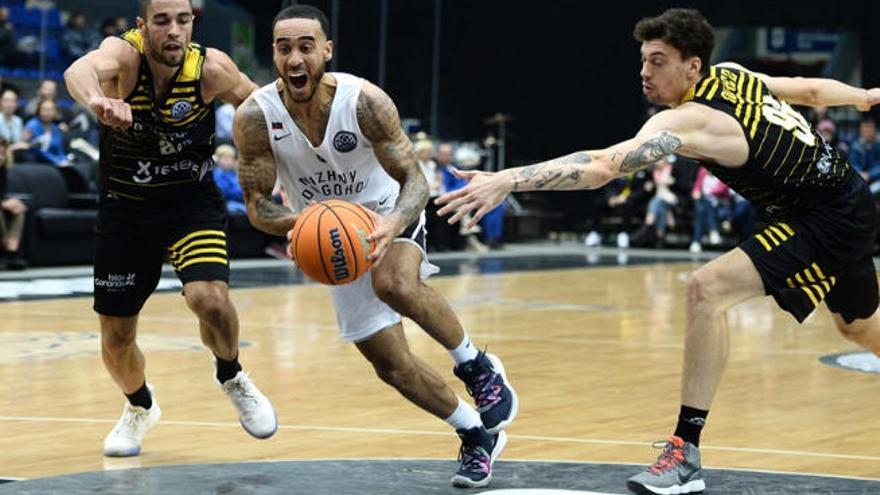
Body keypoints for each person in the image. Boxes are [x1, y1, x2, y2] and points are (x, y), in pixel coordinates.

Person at [436, 8, 880, 494]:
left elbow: (605, 166)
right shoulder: (731, 75)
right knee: (858, 328)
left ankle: (684, 454)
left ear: (692, 67)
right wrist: (864, 97)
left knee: (706, 288)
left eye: (658, 61)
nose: (644, 72)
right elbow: (809, 90)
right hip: (845, 196)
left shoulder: (691, 121)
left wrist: (508, 178)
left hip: (826, 218)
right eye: (643, 60)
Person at [233, 5, 516, 488]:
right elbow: (257, 205)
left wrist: (394, 222)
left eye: (305, 46)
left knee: (394, 284)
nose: (294, 58)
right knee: (390, 365)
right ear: (274, 55)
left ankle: (474, 363)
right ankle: (474, 434)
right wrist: (299, 224)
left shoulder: (364, 101)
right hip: (328, 231)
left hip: (386, 207)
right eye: (284, 48)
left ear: (327, 51)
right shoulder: (256, 117)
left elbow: (415, 179)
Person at [63, 0, 276, 458]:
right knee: (117, 338)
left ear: (192, 23)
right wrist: (98, 99)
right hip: (125, 209)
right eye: (162, 20)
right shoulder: (124, 57)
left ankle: (232, 373)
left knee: (210, 300)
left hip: (189, 205)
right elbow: (78, 70)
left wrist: (280, 164)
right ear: (143, 25)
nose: (174, 30)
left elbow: (261, 107)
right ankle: (140, 407)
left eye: (183, 20)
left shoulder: (210, 68)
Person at [0, 138, 27, 270]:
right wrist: (3, 205)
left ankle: (12, 251)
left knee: (19, 209)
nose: (1, 157)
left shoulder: (3, 170)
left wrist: (9, 203)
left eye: (3, 153)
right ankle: (5, 250)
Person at [22, 98, 69, 166]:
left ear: (55, 112)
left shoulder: (55, 128)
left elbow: (59, 150)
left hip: (56, 163)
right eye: (44, 110)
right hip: (38, 163)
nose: (47, 113)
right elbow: (40, 150)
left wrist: (65, 161)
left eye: (50, 110)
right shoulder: (32, 125)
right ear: (39, 111)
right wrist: (57, 162)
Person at [213, 144, 245, 213]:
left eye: (231, 159)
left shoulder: (233, 173)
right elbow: (223, 192)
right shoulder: (219, 174)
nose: (229, 162)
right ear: (218, 160)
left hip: (239, 201)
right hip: (227, 202)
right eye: (226, 159)